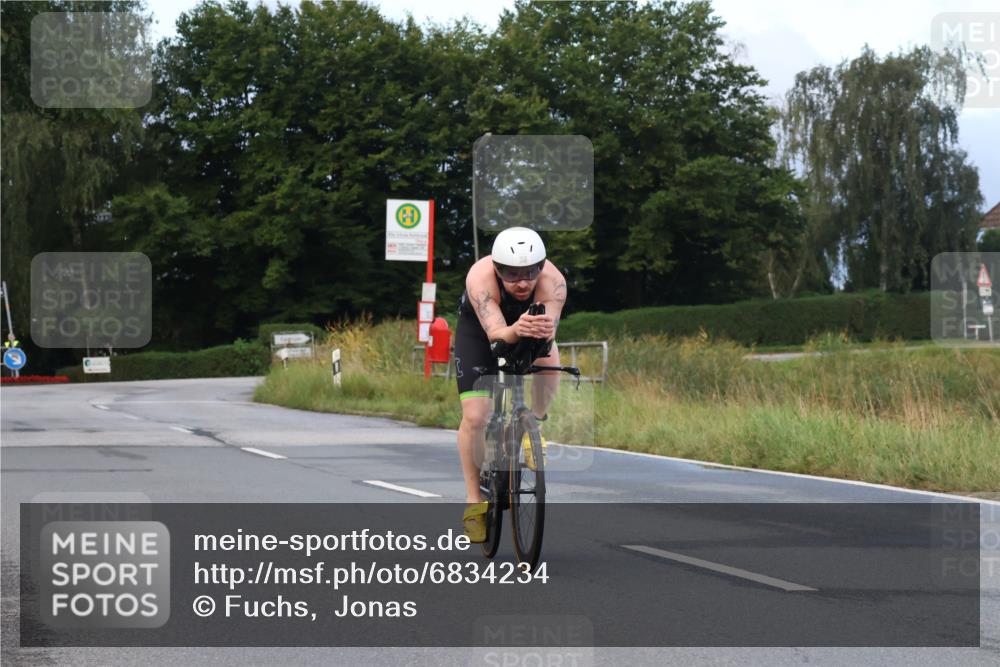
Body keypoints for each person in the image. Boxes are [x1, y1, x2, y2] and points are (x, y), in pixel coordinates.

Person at [453, 227, 567, 542]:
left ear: (541, 267)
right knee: (476, 416)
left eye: (530, 273)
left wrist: (537, 332)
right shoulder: (480, 278)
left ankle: (535, 425)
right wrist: (517, 328)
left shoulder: (554, 283)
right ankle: (474, 500)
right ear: (497, 269)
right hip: (480, 333)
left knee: (549, 359)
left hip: (528, 329)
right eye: (512, 275)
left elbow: (546, 337)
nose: (522, 282)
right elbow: (496, 334)